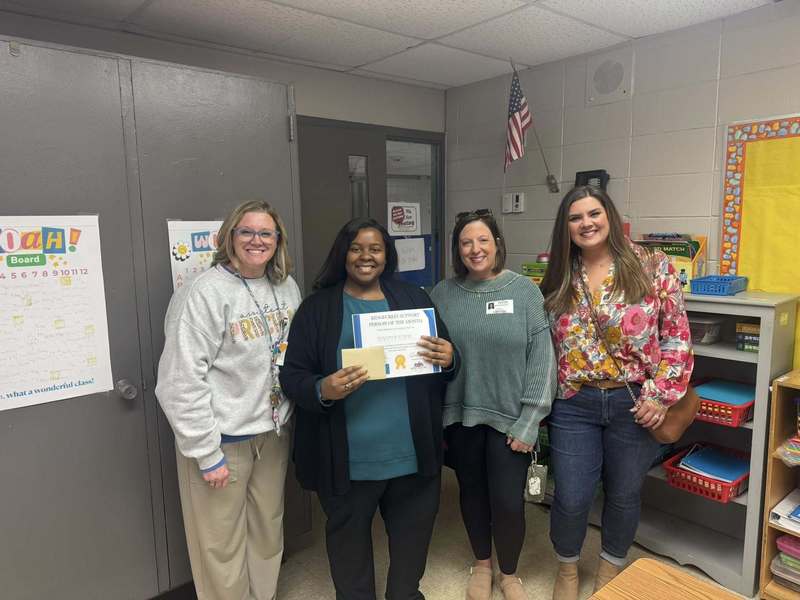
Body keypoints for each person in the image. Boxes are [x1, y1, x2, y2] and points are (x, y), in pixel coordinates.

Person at [279, 217, 457, 600]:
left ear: (386, 255)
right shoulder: (317, 308)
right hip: (349, 460)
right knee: (349, 553)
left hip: (412, 454)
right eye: (356, 248)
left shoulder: (414, 299)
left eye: (375, 248)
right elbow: (292, 376)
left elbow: (444, 361)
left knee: (411, 548)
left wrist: (450, 357)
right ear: (342, 254)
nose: (366, 256)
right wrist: (322, 388)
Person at [539, 186, 693, 600]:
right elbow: (544, 341)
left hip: (635, 402)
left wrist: (660, 395)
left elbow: (677, 336)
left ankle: (610, 569)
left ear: (609, 214)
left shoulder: (651, 264)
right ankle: (567, 568)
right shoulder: (559, 272)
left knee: (624, 493)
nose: (586, 223)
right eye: (575, 217)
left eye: (594, 213)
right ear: (565, 227)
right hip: (574, 401)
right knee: (571, 496)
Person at [155, 200, 302, 600]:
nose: (257, 240)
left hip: (272, 434)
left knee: (267, 530)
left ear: (278, 240)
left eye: (266, 233)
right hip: (222, 440)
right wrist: (205, 452)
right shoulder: (202, 293)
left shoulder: (286, 287)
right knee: (220, 545)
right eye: (246, 232)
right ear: (228, 238)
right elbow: (179, 380)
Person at [430, 209, 556, 600]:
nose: (475, 249)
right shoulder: (442, 294)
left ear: (497, 244)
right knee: (472, 492)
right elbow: (429, 356)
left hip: (511, 420)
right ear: (457, 250)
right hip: (461, 415)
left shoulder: (525, 292)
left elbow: (542, 361)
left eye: (483, 240)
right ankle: (482, 564)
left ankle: (510, 573)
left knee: (507, 501)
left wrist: (530, 420)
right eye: (466, 242)